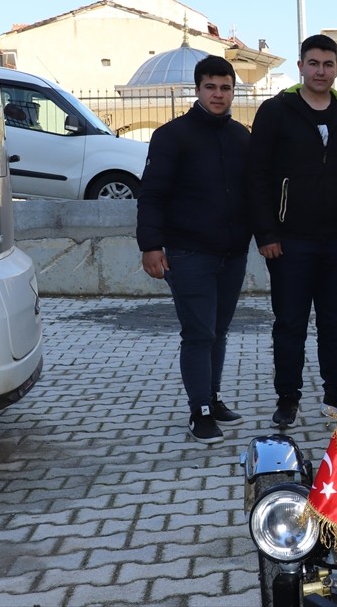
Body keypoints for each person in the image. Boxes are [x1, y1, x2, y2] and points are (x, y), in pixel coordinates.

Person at [248, 34, 337, 428]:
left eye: (328, 64)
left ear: (336, 68)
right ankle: (288, 398)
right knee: (290, 323)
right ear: (300, 66)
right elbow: (257, 176)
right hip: (289, 240)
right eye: (313, 63)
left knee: (336, 323)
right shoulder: (276, 111)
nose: (320, 71)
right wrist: (266, 233)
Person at [137, 55, 251, 443]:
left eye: (225, 88)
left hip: (232, 253)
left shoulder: (241, 137)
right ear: (197, 89)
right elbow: (152, 195)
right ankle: (199, 411)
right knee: (199, 333)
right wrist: (151, 246)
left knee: (218, 331)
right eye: (210, 87)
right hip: (188, 253)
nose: (218, 94)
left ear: (233, 92)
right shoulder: (171, 136)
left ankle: (212, 399)